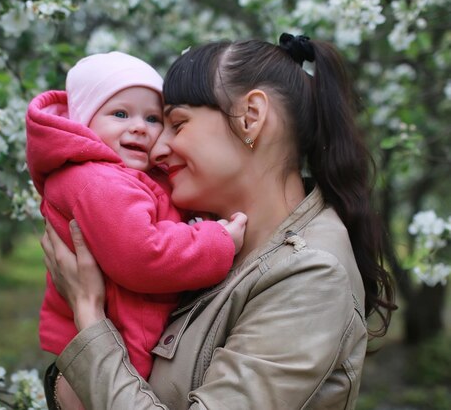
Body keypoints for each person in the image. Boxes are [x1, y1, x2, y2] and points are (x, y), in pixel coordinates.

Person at [40, 34, 396, 410]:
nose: (157, 148)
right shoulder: (203, 244)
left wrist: (89, 316)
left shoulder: (311, 274)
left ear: (250, 118)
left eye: (176, 124)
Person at [25, 51, 247, 382]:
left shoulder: (122, 175)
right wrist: (216, 241)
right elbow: (142, 254)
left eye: (153, 118)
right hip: (119, 348)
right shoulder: (95, 181)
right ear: (83, 121)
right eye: (120, 114)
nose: (140, 128)